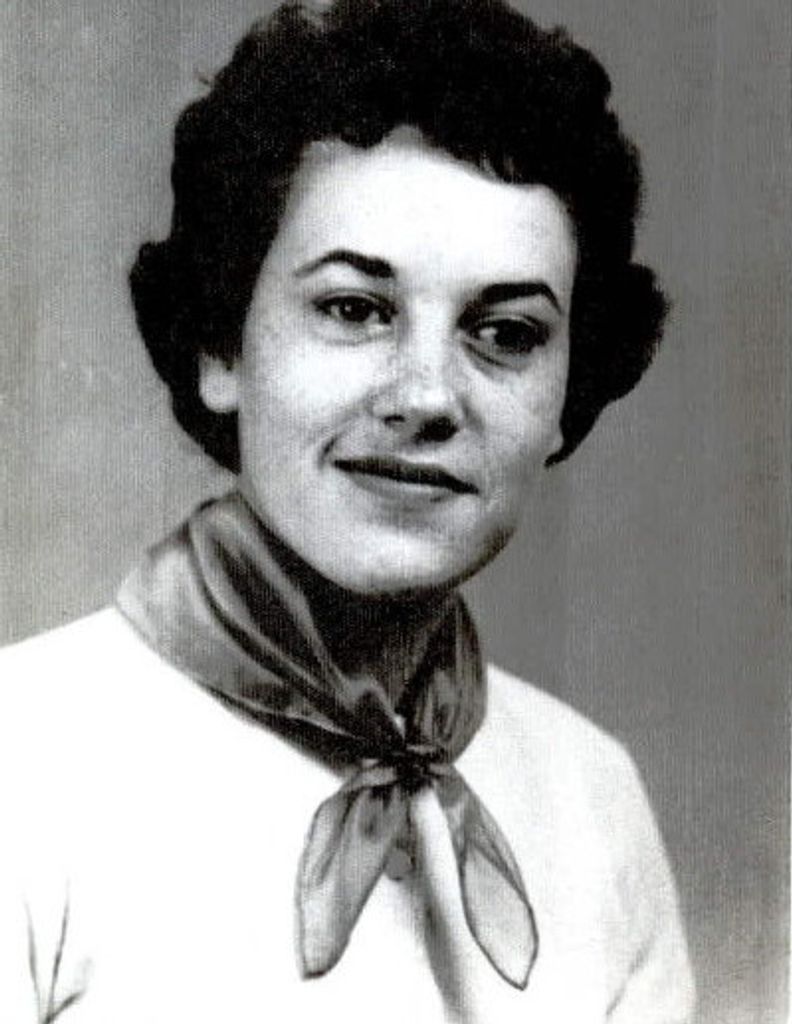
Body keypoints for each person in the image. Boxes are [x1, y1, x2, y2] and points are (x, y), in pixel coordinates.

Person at [0, 0, 695, 1020]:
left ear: (567, 395)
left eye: (506, 332)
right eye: (355, 309)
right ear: (222, 346)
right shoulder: (23, 758)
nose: (427, 396)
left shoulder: (594, 795)